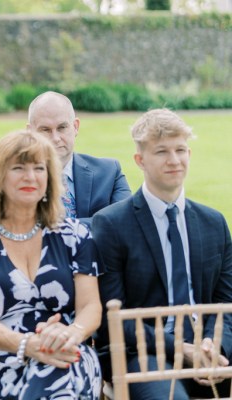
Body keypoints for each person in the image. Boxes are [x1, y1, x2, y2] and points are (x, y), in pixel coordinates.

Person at [0, 130, 102, 399]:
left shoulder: (76, 236)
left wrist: (73, 333)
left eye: (39, 168)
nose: (30, 177)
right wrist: (28, 344)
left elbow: (90, 307)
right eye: (19, 168)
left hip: (64, 350)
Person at [93, 109, 232, 399]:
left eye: (180, 149)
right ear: (140, 160)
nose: (174, 160)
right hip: (144, 353)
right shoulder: (111, 224)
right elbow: (113, 317)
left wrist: (212, 347)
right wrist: (183, 351)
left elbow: (227, 300)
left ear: (189, 153)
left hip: (208, 345)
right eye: (162, 151)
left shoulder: (214, 222)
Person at [27, 91, 131, 225]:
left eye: (62, 127)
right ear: (30, 132)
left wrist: (56, 228)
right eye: (45, 130)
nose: (55, 138)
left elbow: (125, 222)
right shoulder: (16, 178)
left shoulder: (109, 172)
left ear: (75, 127)